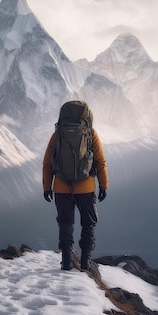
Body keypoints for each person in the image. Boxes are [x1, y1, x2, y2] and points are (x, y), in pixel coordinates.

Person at [42, 101, 108, 271]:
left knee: (65, 223)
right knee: (88, 223)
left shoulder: (57, 135)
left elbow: (47, 163)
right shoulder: (91, 134)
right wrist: (103, 185)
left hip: (61, 188)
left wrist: (47, 187)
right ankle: (85, 261)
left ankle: (66, 261)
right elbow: (100, 161)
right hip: (85, 188)